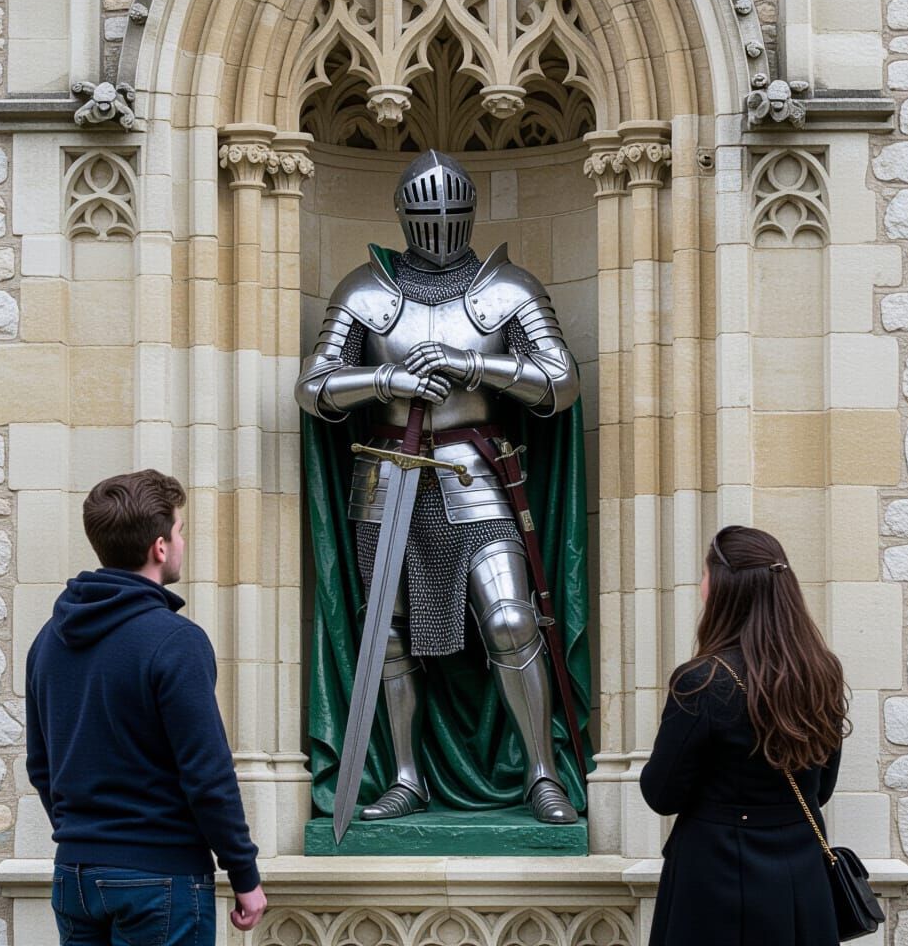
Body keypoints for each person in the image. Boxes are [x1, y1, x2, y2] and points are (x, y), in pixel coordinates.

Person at [295, 149, 590, 824]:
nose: (438, 223)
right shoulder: (364, 293)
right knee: (388, 638)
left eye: (450, 210)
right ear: (402, 216)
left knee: (513, 621)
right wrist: (384, 381)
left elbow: (561, 380)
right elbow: (312, 387)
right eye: (425, 212)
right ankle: (406, 774)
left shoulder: (508, 289)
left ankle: (542, 773)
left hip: (473, 474)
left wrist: (475, 363)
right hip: (387, 475)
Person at [25, 469, 267, 945]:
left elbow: (41, 767)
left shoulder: (47, 641)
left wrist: (89, 837)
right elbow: (207, 775)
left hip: (74, 875)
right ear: (159, 547)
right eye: (180, 531)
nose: (181, 542)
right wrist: (244, 875)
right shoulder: (176, 641)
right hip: (160, 879)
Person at [641, 525, 850, 946]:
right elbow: (820, 789)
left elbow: (662, 795)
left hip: (714, 880)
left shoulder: (702, 681)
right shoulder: (822, 672)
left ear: (722, 588)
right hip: (802, 871)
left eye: (705, 575)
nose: (701, 587)